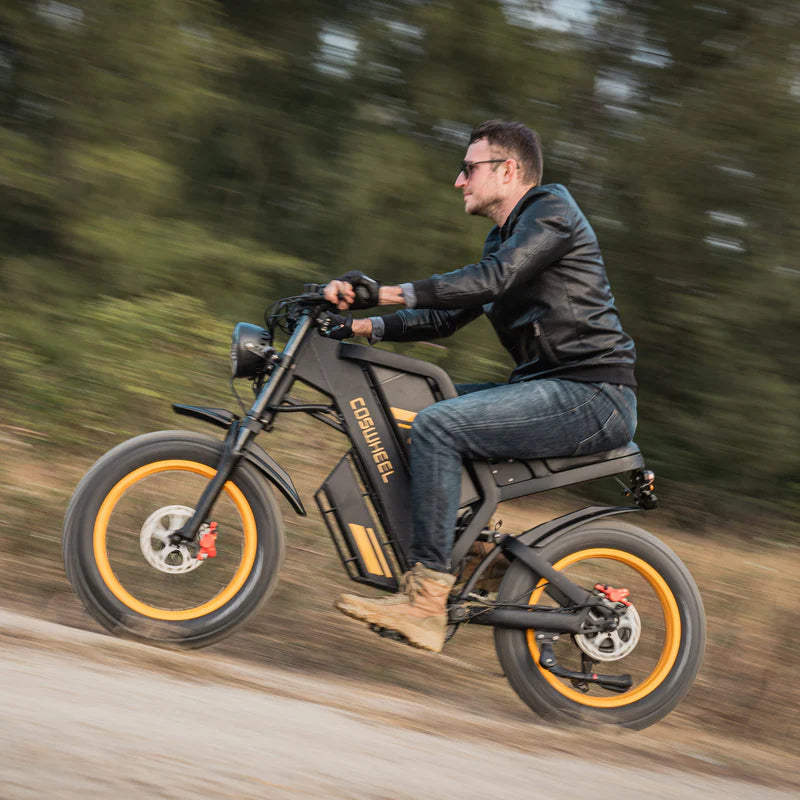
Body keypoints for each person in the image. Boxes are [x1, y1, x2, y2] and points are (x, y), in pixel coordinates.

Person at [323, 120, 637, 654]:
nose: (459, 180)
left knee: (438, 425)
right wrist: (356, 324)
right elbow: (445, 317)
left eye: (468, 168)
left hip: (592, 394)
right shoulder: (505, 239)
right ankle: (473, 554)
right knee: (412, 407)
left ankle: (426, 604)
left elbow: (493, 279)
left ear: (508, 170)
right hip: (550, 388)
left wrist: (386, 292)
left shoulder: (552, 212)